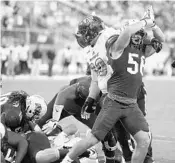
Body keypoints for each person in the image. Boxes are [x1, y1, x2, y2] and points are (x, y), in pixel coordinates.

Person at [61, 6, 164, 163]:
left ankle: (145, 159)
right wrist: (91, 98)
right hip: (112, 96)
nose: (82, 38)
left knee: (140, 136)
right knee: (115, 135)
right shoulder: (96, 48)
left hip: (130, 94)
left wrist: (150, 32)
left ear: (93, 32)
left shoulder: (111, 37)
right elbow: (96, 76)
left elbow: (133, 37)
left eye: (85, 34)